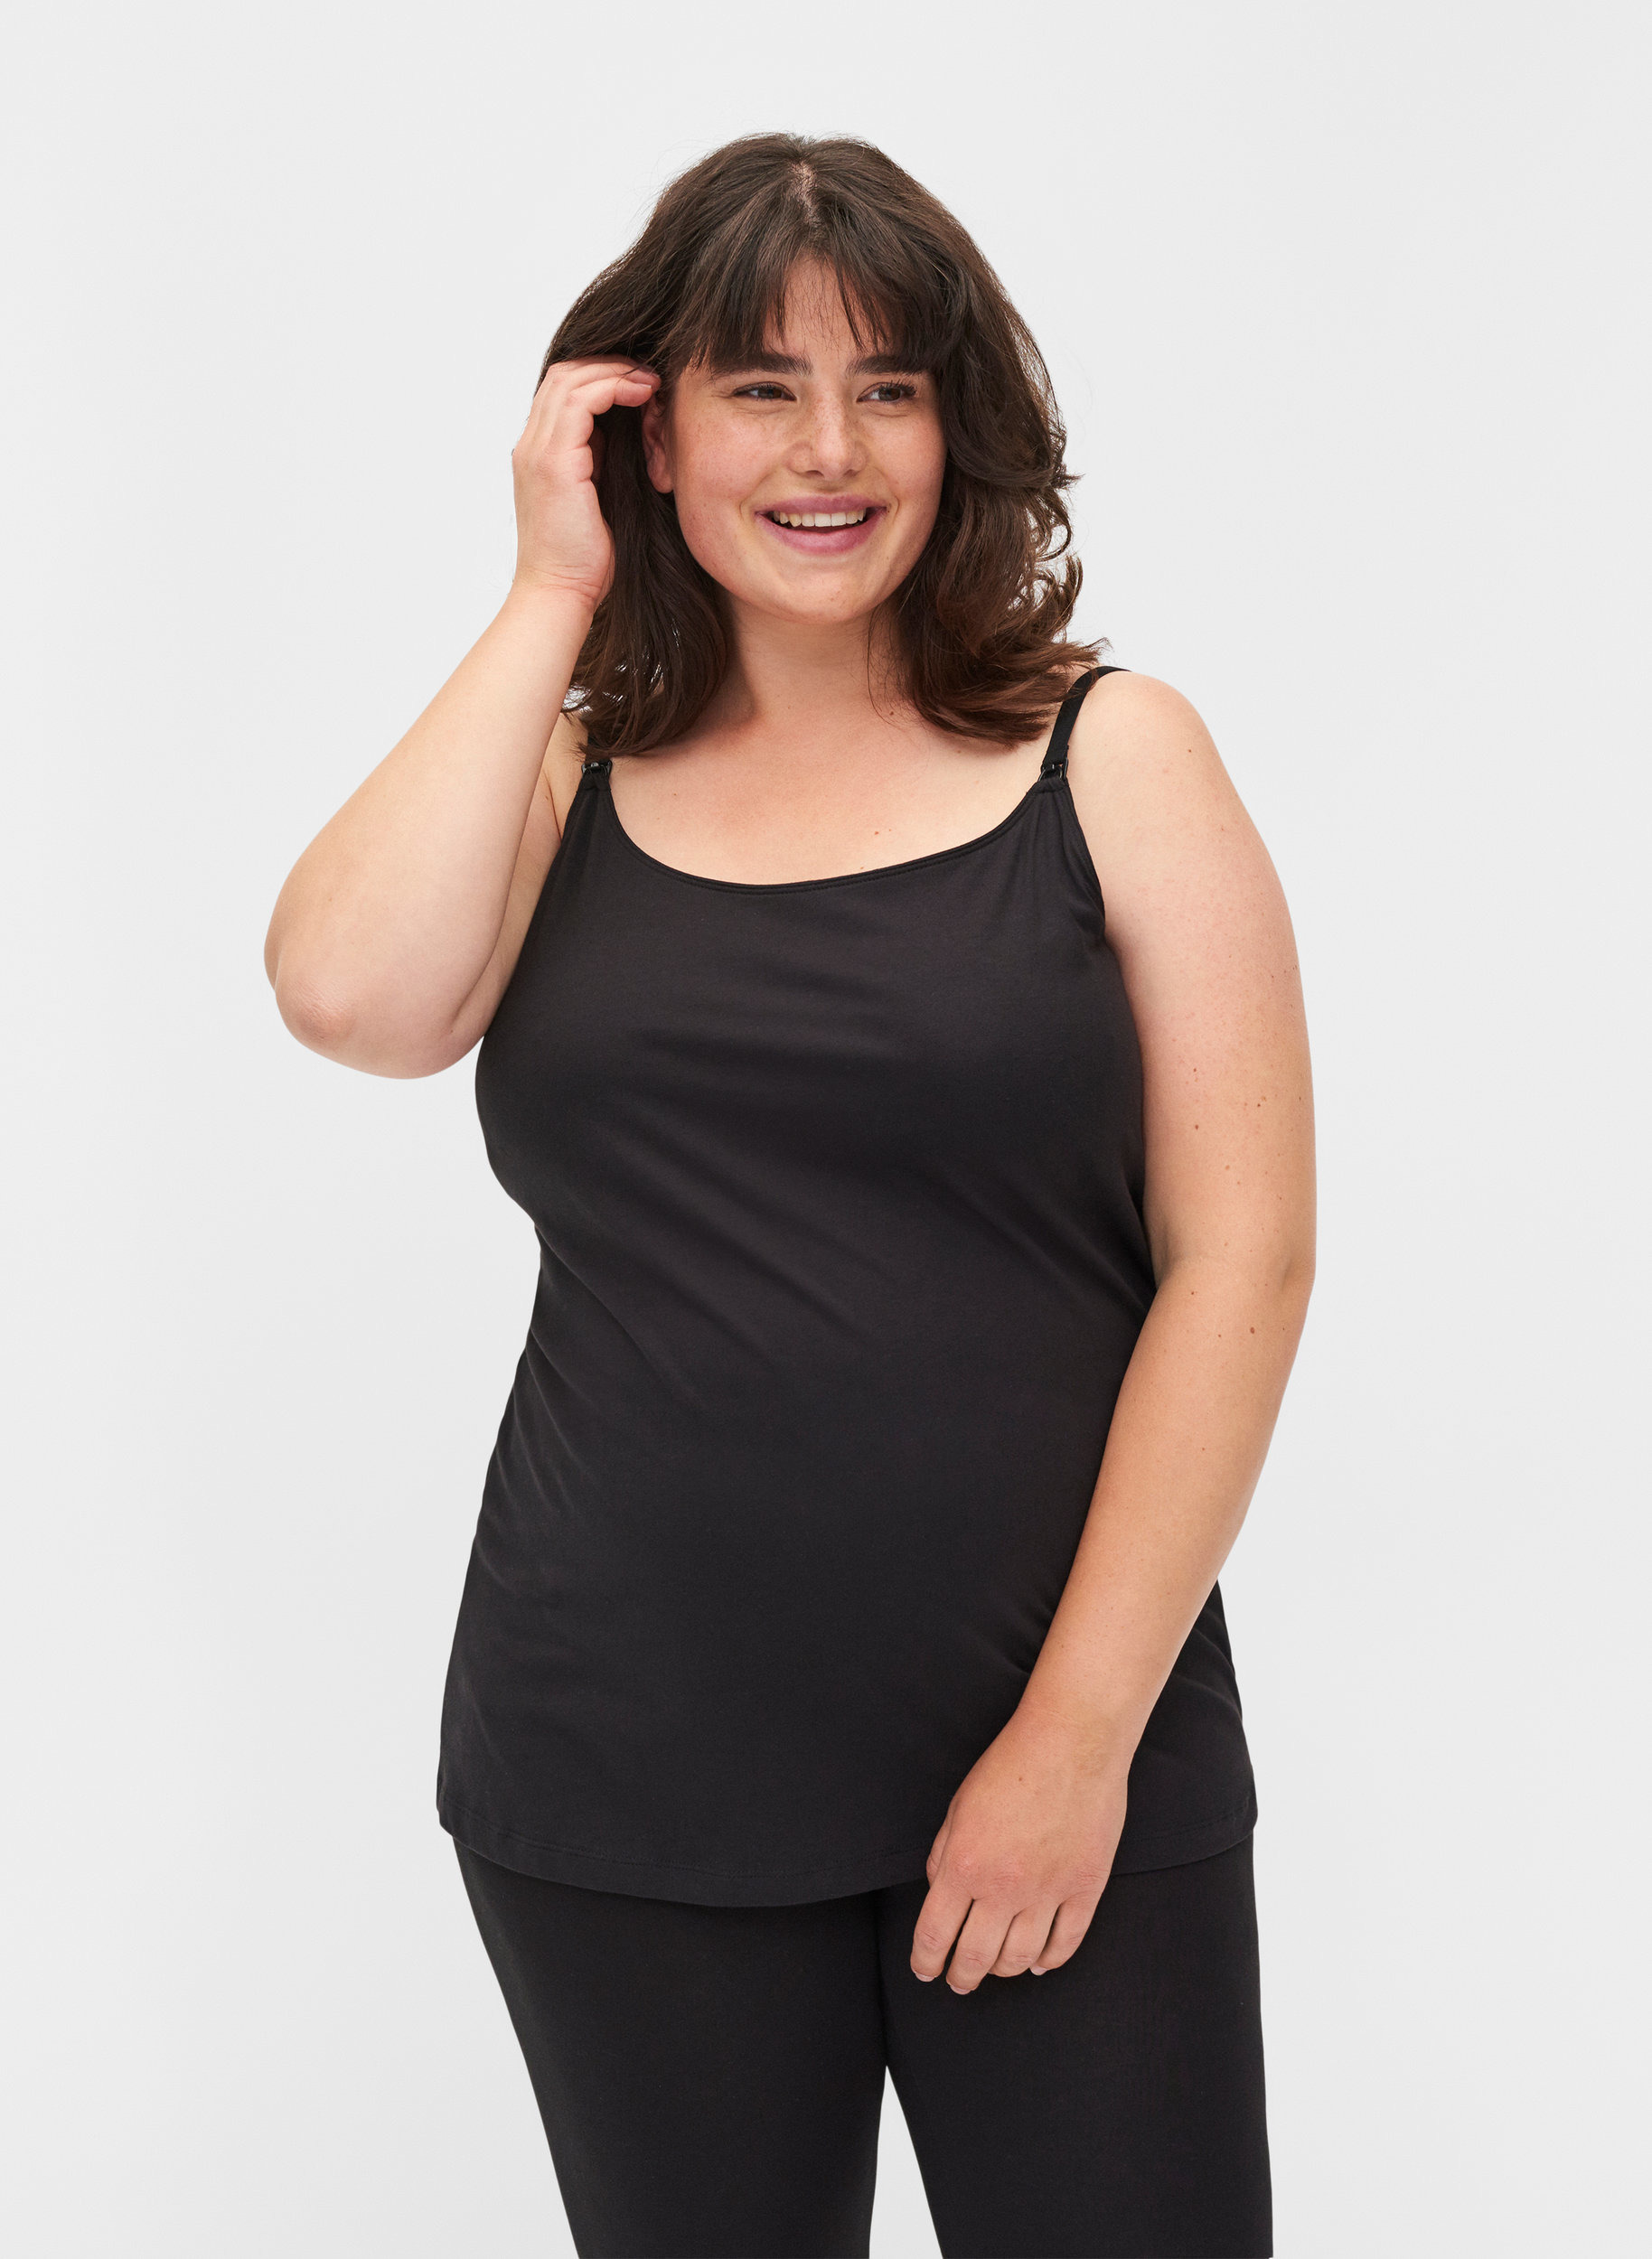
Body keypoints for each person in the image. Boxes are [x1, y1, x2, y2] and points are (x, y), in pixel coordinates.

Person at [264, 133, 1314, 2259]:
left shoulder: (1112, 756)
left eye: (886, 387)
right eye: (758, 387)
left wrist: (1074, 1739)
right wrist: (549, 590)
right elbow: (349, 997)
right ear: (647, 430)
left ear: (956, 428)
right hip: (619, 1761)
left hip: (1063, 1744)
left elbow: (1243, 1261)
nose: (829, 450)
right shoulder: (562, 776)